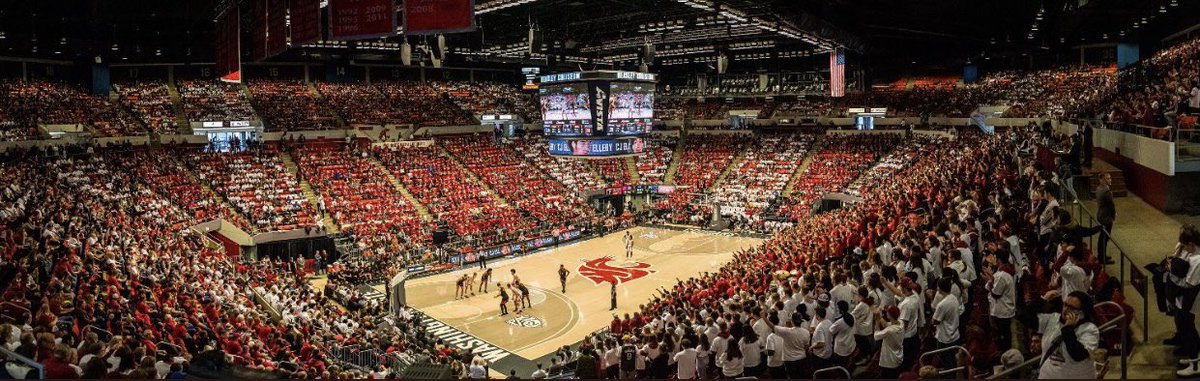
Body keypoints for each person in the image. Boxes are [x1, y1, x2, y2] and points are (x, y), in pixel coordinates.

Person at [1036, 291, 1100, 379]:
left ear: (1082, 313)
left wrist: (1068, 329)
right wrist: (1043, 300)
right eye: (1065, 305)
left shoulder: (1090, 329)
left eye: (1072, 308)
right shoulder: (1053, 319)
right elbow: (1024, 318)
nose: (1066, 310)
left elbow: (1077, 355)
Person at [874, 305, 905, 379]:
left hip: (889, 361)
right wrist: (879, 317)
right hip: (898, 356)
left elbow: (876, 336)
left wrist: (877, 322)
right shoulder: (901, 323)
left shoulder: (890, 330)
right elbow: (887, 324)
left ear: (889, 315)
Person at [1095, 173, 1116, 265]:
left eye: (1110, 178)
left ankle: (1101, 255)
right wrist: (1113, 215)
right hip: (1106, 217)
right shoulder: (1107, 191)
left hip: (1100, 214)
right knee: (1104, 238)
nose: (1110, 180)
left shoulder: (1098, 188)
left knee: (1102, 238)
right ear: (1102, 180)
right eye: (1107, 179)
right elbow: (1111, 205)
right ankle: (1102, 258)